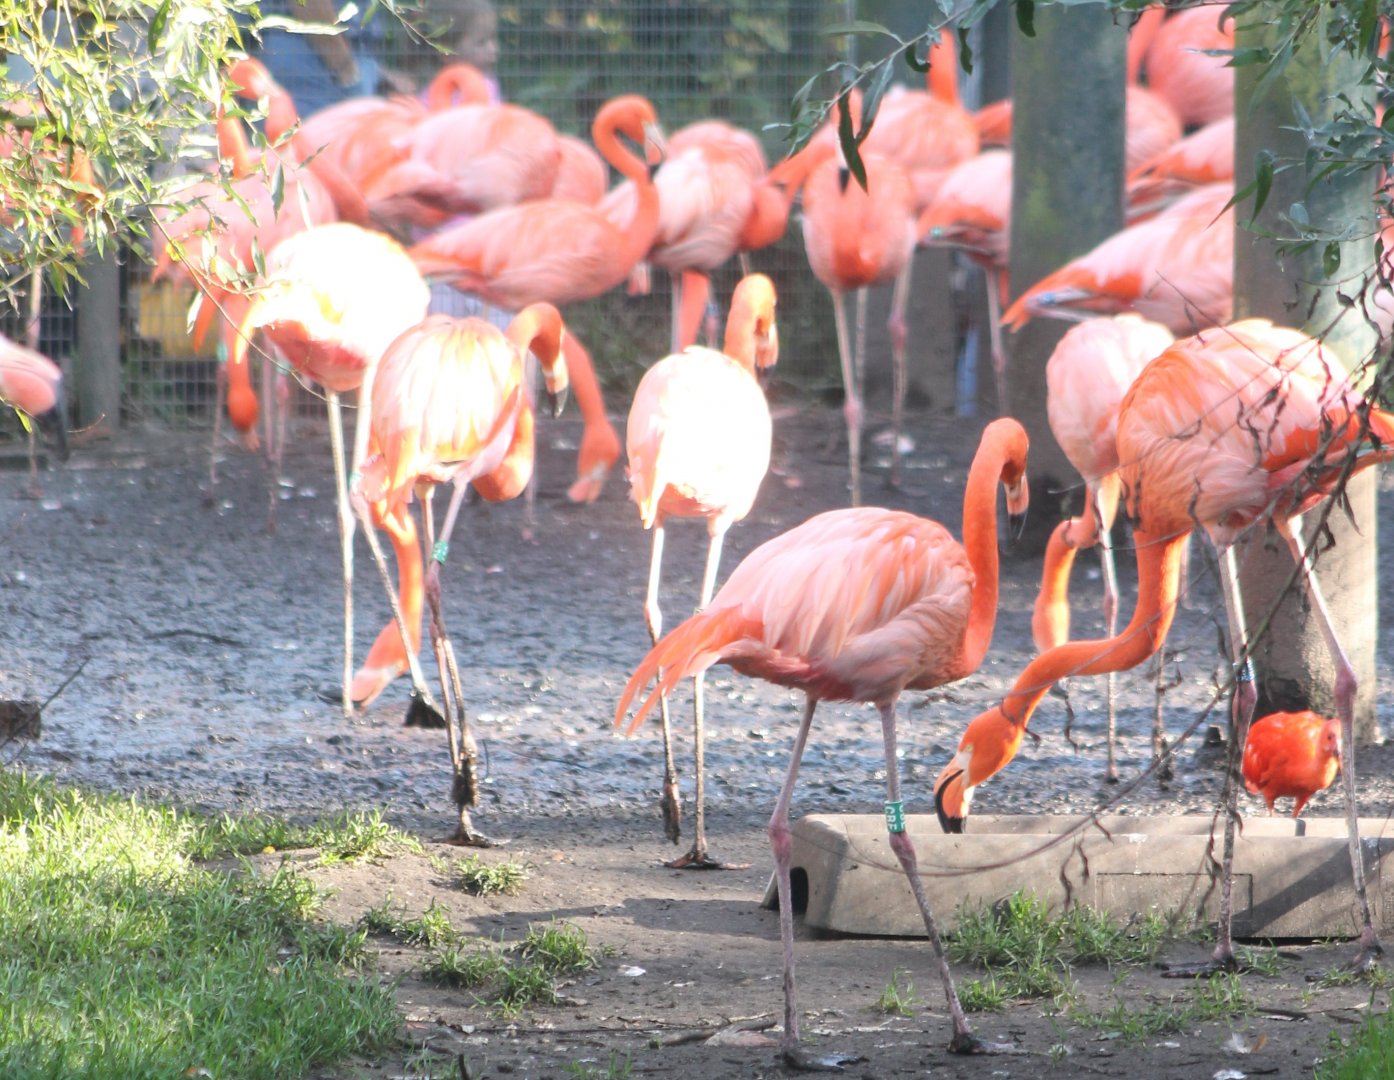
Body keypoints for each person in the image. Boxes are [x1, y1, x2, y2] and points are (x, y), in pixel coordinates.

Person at [250, 0, 389, 118]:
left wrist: (376, 71)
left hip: (334, 56)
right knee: (308, 146)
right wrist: (346, 70)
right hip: (314, 55)